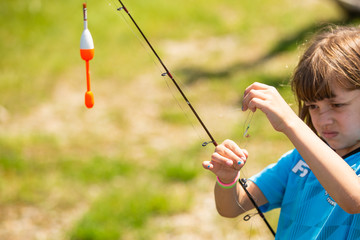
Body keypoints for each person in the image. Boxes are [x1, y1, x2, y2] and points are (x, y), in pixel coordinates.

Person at [202, 25, 360, 239]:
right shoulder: (299, 160)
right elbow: (232, 207)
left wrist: (290, 123)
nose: (324, 120)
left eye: (337, 105)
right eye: (313, 106)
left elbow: (353, 199)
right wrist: (227, 179)